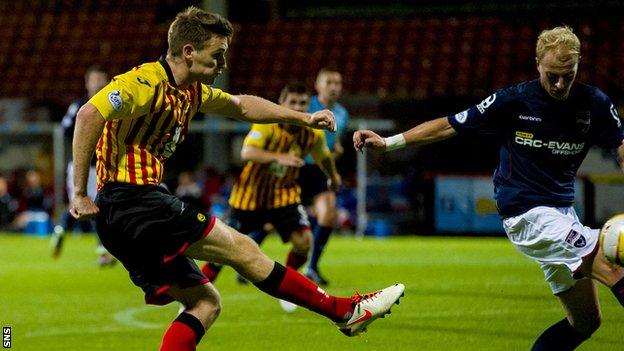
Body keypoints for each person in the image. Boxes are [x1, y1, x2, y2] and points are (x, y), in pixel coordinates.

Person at [69, 7, 404, 350]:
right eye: (217, 55)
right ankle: (344, 311)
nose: (223, 65)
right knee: (244, 250)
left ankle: (343, 311)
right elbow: (89, 113)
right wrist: (79, 192)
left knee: (205, 303)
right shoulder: (144, 82)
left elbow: (242, 106)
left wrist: (304, 118)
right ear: (189, 52)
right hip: (133, 199)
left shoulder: (192, 91)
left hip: (119, 219)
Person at [354, 26, 624, 351]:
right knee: (611, 266)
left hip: (563, 214)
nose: (559, 84)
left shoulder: (594, 103)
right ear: (538, 63)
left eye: (568, 75)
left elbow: (621, 145)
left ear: (578, 65)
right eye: (552, 75)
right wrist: (389, 142)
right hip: (526, 213)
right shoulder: (515, 100)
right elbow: (449, 124)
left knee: (585, 322)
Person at [201, 82, 341, 312]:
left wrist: (333, 177)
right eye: (293, 102)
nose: (298, 106)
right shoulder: (268, 125)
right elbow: (247, 152)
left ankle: (289, 287)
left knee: (303, 242)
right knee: (220, 253)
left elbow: (324, 157)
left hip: (284, 196)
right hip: (249, 198)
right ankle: (198, 297)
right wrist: (279, 157)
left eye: (303, 103)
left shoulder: (312, 134)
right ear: (282, 104)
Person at [51, 65, 116, 266]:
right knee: (82, 206)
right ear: (87, 83)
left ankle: (63, 232)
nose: (97, 83)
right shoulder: (79, 106)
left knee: (99, 206)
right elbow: (65, 129)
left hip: (102, 166)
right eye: (94, 79)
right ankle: (100, 250)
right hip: (80, 166)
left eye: (100, 79)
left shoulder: (113, 106)